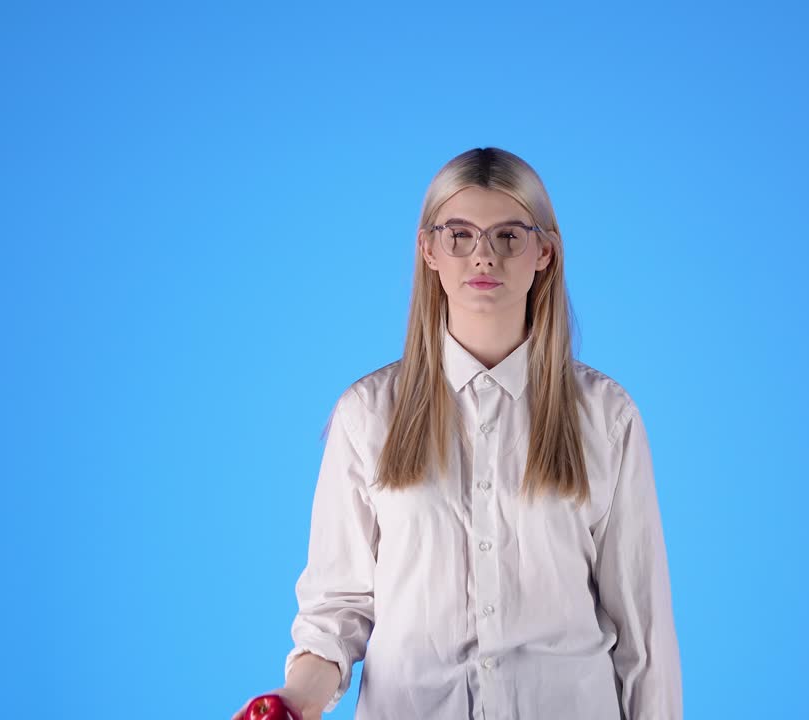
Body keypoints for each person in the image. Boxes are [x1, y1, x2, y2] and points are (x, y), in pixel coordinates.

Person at [233, 147, 682, 720]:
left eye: (508, 237)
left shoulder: (606, 417)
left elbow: (644, 637)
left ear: (544, 251)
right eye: (460, 235)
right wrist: (293, 702)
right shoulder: (368, 417)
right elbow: (336, 613)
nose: (483, 257)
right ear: (429, 251)